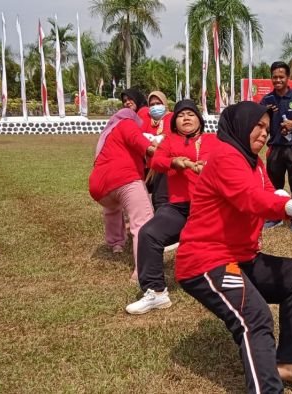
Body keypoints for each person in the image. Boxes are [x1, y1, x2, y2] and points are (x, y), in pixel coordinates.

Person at [176, 102, 292, 392]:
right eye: (257, 125)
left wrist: (281, 198)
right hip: (207, 262)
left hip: (241, 257)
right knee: (254, 316)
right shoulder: (225, 157)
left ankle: (290, 363)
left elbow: (265, 194)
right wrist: (290, 204)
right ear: (240, 124)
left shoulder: (254, 162)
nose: (263, 132)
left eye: (266, 127)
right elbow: (250, 199)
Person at [126, 100, 216, 314]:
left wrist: (203, 163)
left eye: (191, 114)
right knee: (149, 233)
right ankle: (156, 293)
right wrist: (176, 162)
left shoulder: (212, 139)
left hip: (209, 206)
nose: (186, 118)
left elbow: (218, 160)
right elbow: (156, 161)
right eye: (181, 114)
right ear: (174, 121)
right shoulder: (169, 141)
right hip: (178, 207)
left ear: (200, 120)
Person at [89, 108, 156, 280]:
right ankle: (143, 270)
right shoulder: (127, 123)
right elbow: (137, 139)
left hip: (99, 187)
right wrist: (153, 149)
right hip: (125, 178)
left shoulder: (108, 133)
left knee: (112, 210)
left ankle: (116, 243)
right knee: (142, 222)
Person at [259, 61, 292, 233]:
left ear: (287, 78)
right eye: (274, 77)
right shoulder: (266, 100)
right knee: (273, 186)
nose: (277, 80)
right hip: (274, 147)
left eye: (281, 77)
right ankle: (275, 216)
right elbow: (260, 121)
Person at [142, 90, 173, 212]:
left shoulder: (171, 117)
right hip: (149, 165)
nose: (155, 107)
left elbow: (170, 137)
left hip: (164, 167)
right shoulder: (146, 119)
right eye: (152, 104)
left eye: (158, 103)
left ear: (164, 103)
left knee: (159, 198)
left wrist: (153, 145)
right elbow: (139, 137)